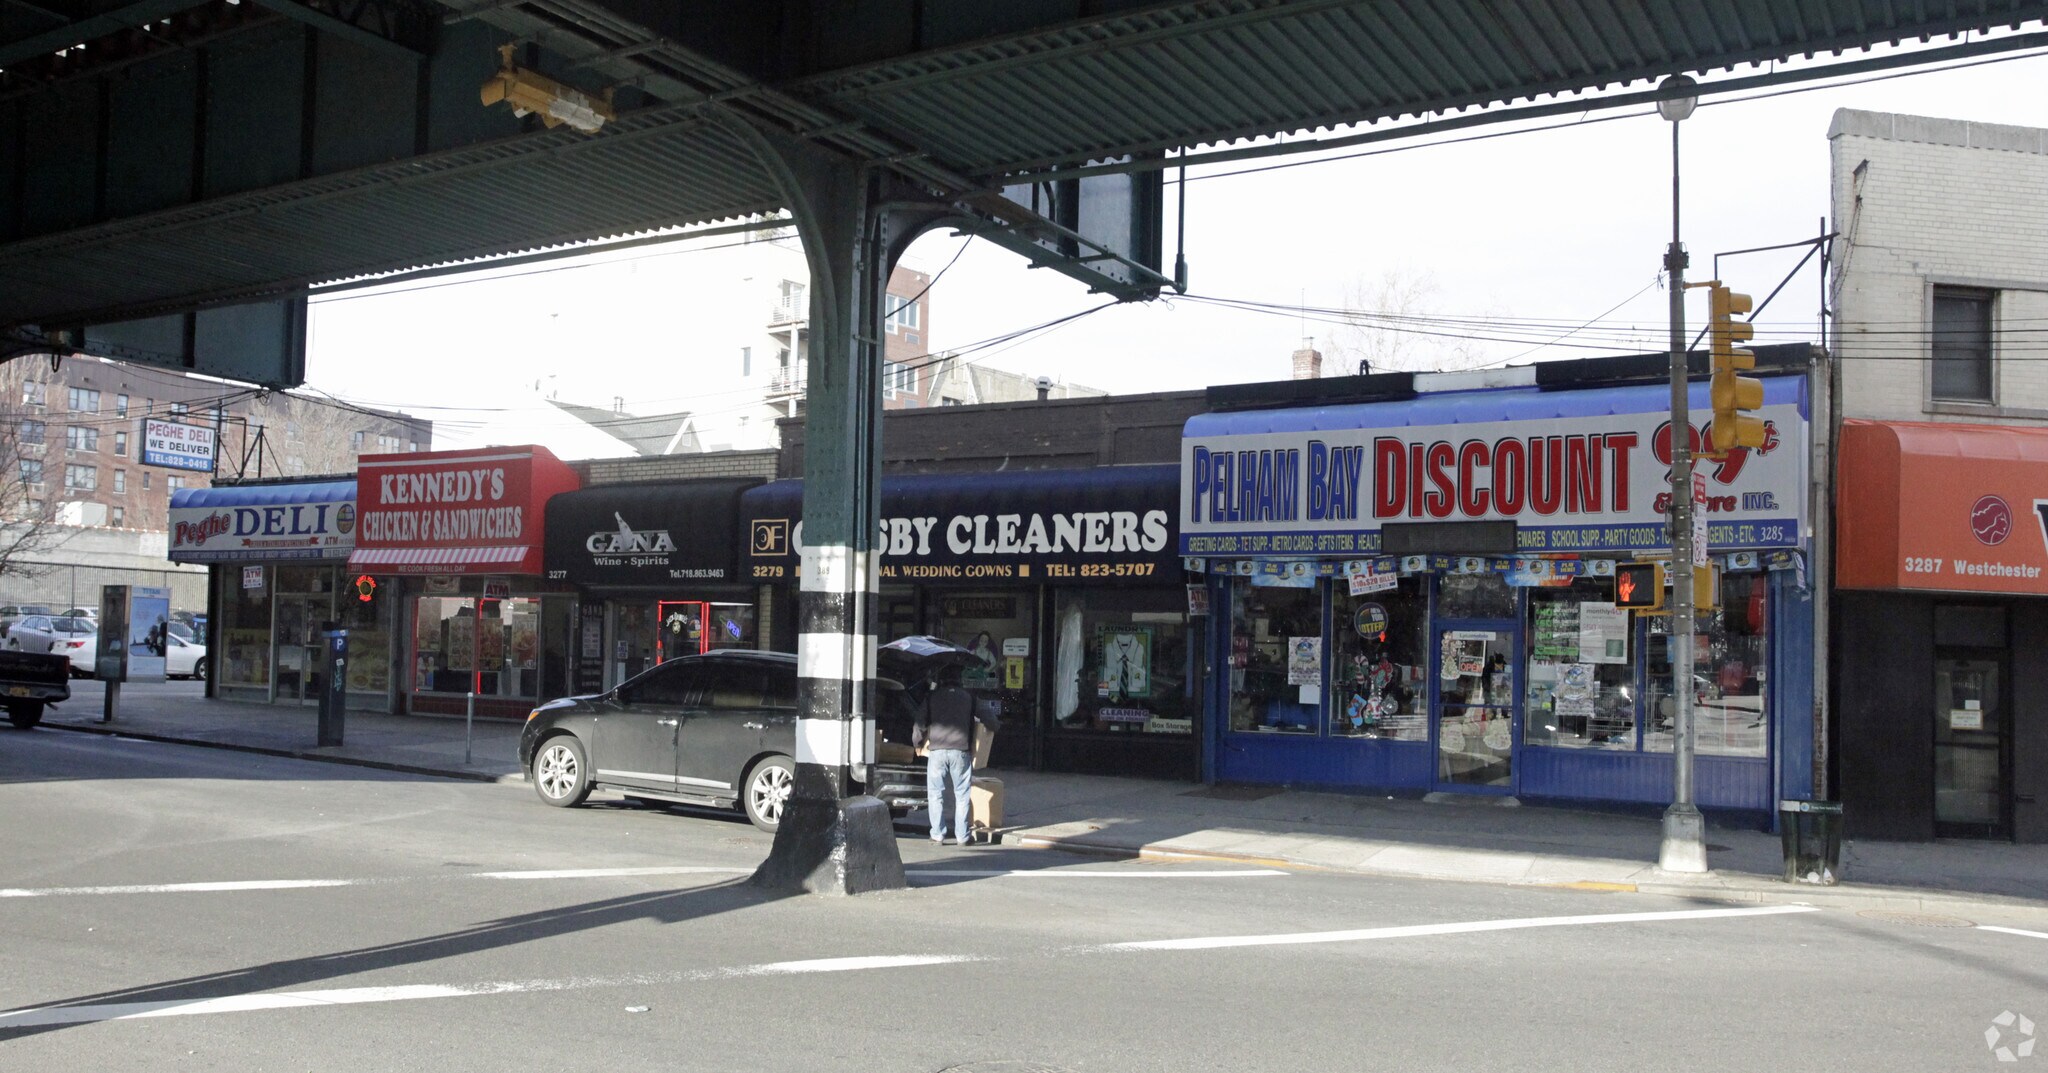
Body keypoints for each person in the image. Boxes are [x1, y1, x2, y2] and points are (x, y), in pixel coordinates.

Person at [913, 664, 997, 846]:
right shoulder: (969, 697)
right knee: (962, 794)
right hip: (961, 750)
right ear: (959, 679)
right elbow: (990, 719)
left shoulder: (932, 697)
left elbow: (919, 723)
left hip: (937, 751)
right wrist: (994, 728)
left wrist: (917, 744)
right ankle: (962, 836)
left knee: (935, 794)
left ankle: (937, 834)